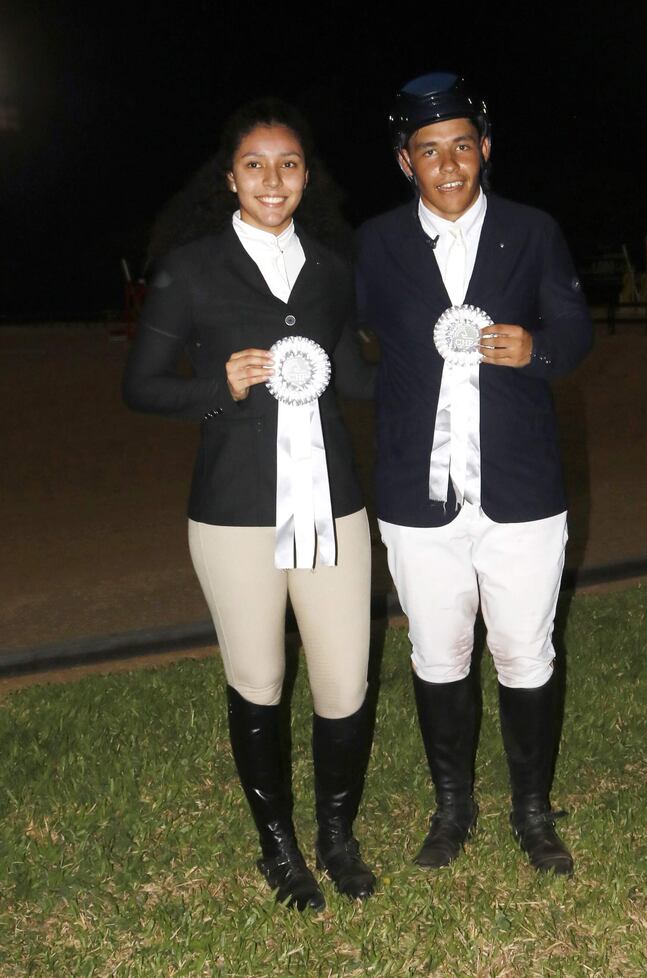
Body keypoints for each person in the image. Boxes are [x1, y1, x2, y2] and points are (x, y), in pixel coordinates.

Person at [123, 98, 377, 911]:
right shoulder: (190, 269)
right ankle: (280, 849)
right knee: (260, 677)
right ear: (229, 178)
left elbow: (358, 379)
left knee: (345, 682)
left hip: (335, 505)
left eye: (291, 164)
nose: (275, 180)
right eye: (257, 165)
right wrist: (218, 387)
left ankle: (336, 837)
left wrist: (440, 361)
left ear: (309, 176)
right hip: (234, 511)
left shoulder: (334, 271)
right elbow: (141, 388)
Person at [356, 73, 593, 876]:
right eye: (430, 150)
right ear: (405, 161)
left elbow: (575, 327)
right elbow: (346, 342)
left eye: (462, 145)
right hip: (417, 498)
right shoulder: (377, 243)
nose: (449, 163)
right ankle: (452, 810)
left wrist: (540, 349)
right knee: (438, 653)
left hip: (522, 491)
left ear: (485, 149)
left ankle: (532, 812)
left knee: (527, 651)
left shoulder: (533, 231)